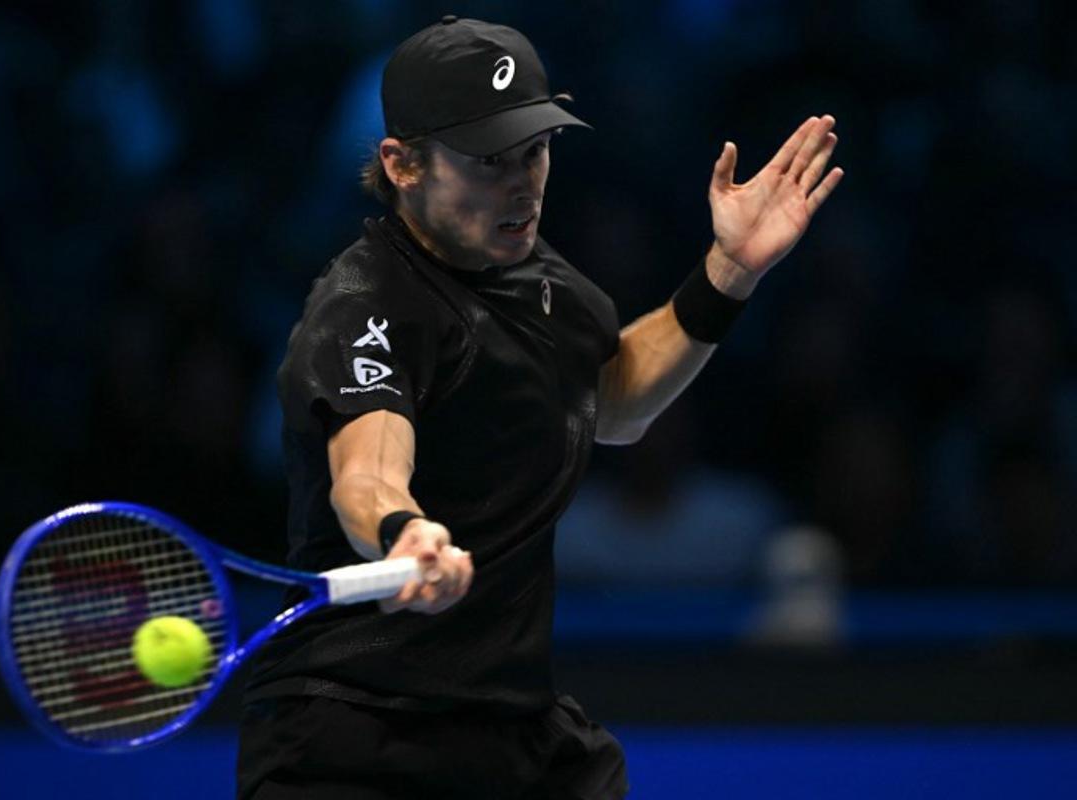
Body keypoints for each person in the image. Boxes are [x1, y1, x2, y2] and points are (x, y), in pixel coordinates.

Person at [237, 15, 842, 800]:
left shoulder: (545, 284)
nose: (523, 181)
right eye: (489, 160)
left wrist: (727, 273)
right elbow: (368, 469)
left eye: (536, 150)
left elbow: (611, 402)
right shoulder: (365, 305)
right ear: (402, 164)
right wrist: (403, 531)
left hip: (506, 730)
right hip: (354, 738)